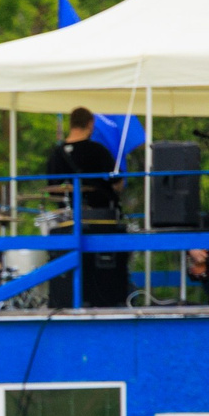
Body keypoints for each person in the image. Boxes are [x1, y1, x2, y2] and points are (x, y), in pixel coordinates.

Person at [43, 107, 126, 306]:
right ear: (90, 124)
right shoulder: (97, 150)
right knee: (103, 266)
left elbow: (51, 189)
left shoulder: (56, 154)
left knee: (68, 264)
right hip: (101, 220)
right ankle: (108, 299)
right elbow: (118, 182)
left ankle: (66, 300)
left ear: (71, 124)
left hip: (67, 221)